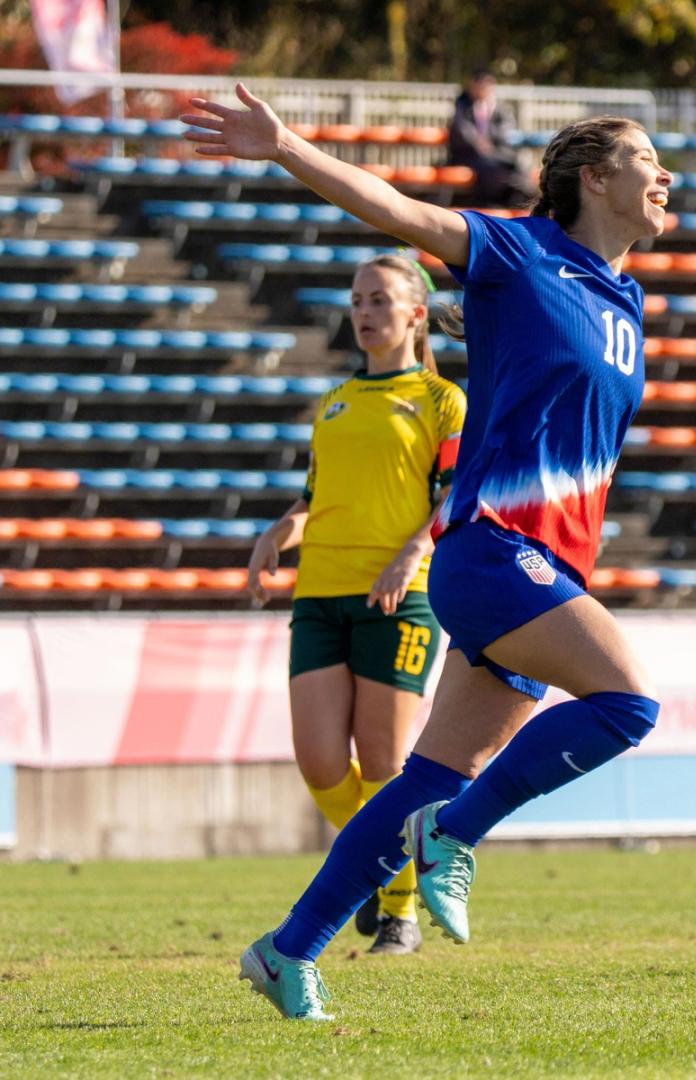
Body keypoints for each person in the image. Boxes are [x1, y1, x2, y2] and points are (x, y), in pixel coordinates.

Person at [182, 83, 671, 1021]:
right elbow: (400, 213)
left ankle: (289, 951)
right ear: (597, 177)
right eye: (649, 160)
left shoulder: (627, 298)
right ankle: (457, 836)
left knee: (428, 774)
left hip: (552, 564)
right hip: (492, 552)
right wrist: (284, 146)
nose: (667, 176)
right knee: (627, 702)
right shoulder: (519, 252)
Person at [245, 253, 466, 956]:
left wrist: (413, 551)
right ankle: (378, 872)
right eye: (357, 301)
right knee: (319, 764)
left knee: (383, 763)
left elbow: (455, 493)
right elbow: (317, 497)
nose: (365, 313)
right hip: (320, 592)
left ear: (414, 314)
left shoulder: (441, 401)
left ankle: (398, 912)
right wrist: (283, 528)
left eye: (379, 300)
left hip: (400, 598)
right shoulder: (335, 400)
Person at [447, 68, 535, 208]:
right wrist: (478, 142)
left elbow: (506, 129)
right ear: (473, 85)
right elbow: (462, 130)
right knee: (493, 168)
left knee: (517, 162)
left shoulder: (498, 107)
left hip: (494, 153)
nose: (484, 90)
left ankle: (523, 194)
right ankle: (493, 203)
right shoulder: (462, 104)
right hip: (468, 155)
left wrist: (490, 141)